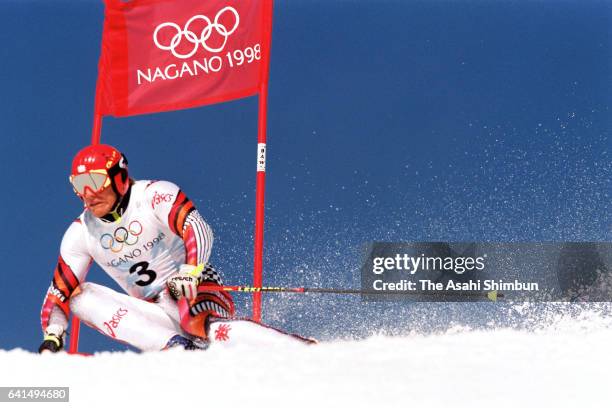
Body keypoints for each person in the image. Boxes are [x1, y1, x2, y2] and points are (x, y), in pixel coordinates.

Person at [39, 144, 235, 352]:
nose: (87, 193)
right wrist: (53, 334)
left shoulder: (153, 195)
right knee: (79, 297)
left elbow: (196, 226)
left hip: (194, 290)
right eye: (79, 184)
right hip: (155, 313)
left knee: (192, 318)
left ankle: (243, 341)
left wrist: (191, 271)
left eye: (94, 181)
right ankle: (175, 349)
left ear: (119, 178)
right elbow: (59, 292)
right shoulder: (80, 233)